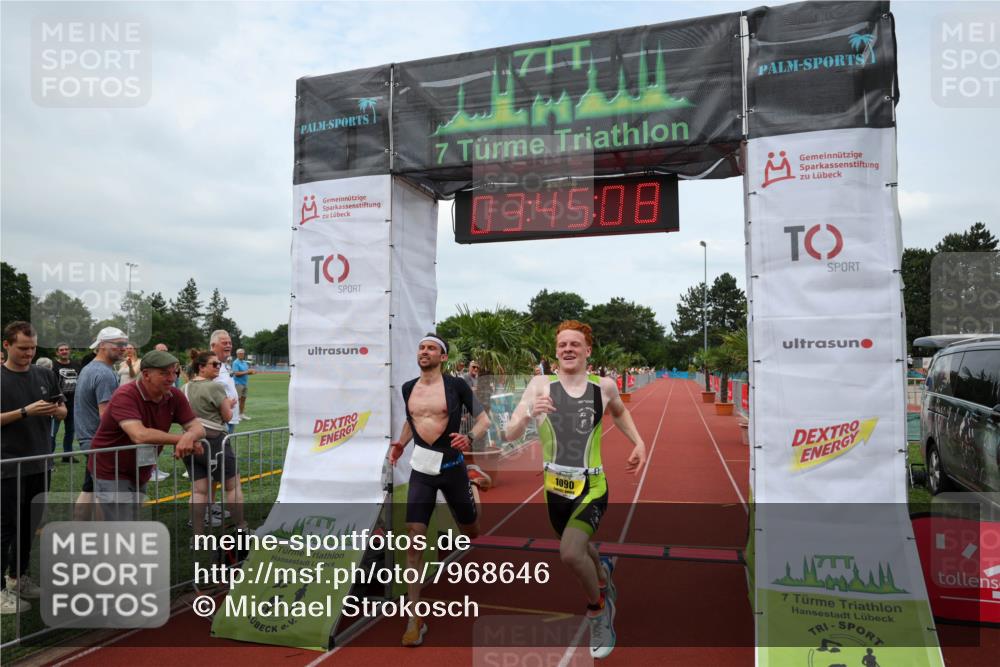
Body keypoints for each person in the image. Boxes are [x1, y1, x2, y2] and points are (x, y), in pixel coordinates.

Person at [501, 320, 647, 660]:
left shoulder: (605, 386)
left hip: (592, 486)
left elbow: (621, 413)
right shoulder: (539, 386)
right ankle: (603, 570)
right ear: (555, 352)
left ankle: (598, 611)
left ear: (587, 350)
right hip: (554, 489)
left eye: (575, 344)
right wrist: (527, 416)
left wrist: (639, 442)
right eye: (562, 344)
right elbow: (508, 434)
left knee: (569, 552)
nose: (568, 349)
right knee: (580, 548)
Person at [388, 333, 491, 647]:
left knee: (471, 532)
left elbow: (484, 419)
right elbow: (412, 421)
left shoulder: (456, 386)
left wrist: (469, 437)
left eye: (431, 348)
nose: (424, 351)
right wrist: (400, 445)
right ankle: (414, 618)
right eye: (421, 347)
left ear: (442, 356)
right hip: (422, 471)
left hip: (451, 469)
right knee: (414, 542)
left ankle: (472, 486)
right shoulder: (408, 388)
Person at [88, 350, 205, 521]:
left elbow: (197, 427)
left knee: (129, 517)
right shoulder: (125, 395)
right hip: (110, 468)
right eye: (164, 373)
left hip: (141, 468)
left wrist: (189, 436)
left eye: (174, 372)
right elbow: (139, 434)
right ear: (146, 374)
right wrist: (182, 438)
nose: (172, 378)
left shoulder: (174, 395)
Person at [1, 322, 67, 614]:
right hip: (7, 465)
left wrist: (55, 410)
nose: (29, 353)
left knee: (30, 524)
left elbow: (63, 411)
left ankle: (18, 577)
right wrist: (26, 411)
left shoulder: (44, 374)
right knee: (6, 528)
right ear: (6, 345)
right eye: (22, 348)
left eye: (33, 348)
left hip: (40, 462)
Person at [182, 350, 245, 535]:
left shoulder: (184, 388)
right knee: (232, 486)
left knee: (199, 491)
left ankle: (198, 534)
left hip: (191, 442)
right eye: (214, 364)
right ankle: (242, 527)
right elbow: (226, 416)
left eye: (220, 364)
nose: (219, 367)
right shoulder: (214, 387)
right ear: (201, 367)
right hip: (215, 442)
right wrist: (229, 406)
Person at [73, 327, 127, 520]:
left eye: (125, 344)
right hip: (101, 443)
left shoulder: (90, 368)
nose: (124, 348)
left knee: (89, 489)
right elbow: (107, 416)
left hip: (89, 440)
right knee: (104, 496)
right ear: (102, 345)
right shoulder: (104, 374)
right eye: (119, 344)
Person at [51, 343, 81, 458]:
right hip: (57, 404)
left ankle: (68, 455)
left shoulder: (76, 365)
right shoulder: (53, 366)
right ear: (57, 352)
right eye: (61, 350)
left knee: (70, 431)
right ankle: (50, 458)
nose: (64, 351)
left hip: (73, 404)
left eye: (66, 349)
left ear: (70, 351)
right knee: (53, 432)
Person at [209, 330, 240, 433]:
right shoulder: (210, 365)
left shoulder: (225, 364)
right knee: (220, 448)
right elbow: (206, 391)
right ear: (213, 346)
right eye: (224, 343)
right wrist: (225, 404)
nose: (229, 345)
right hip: (219, 419)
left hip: (229, 417)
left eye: (230, 343)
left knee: (226, 447)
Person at [230, 348, 256, 420]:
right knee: (237, 400)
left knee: (243, 399)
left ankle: (241, 414)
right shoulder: (235, 363)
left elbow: (245, 372)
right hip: (238, 383)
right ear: (237, 354)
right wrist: (247, 372)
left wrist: (251, 372)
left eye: (243, 353)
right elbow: (236, 373)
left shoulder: (244, 362)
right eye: (240, 353)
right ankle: (236, 415)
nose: (242, 355)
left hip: (244, 383)